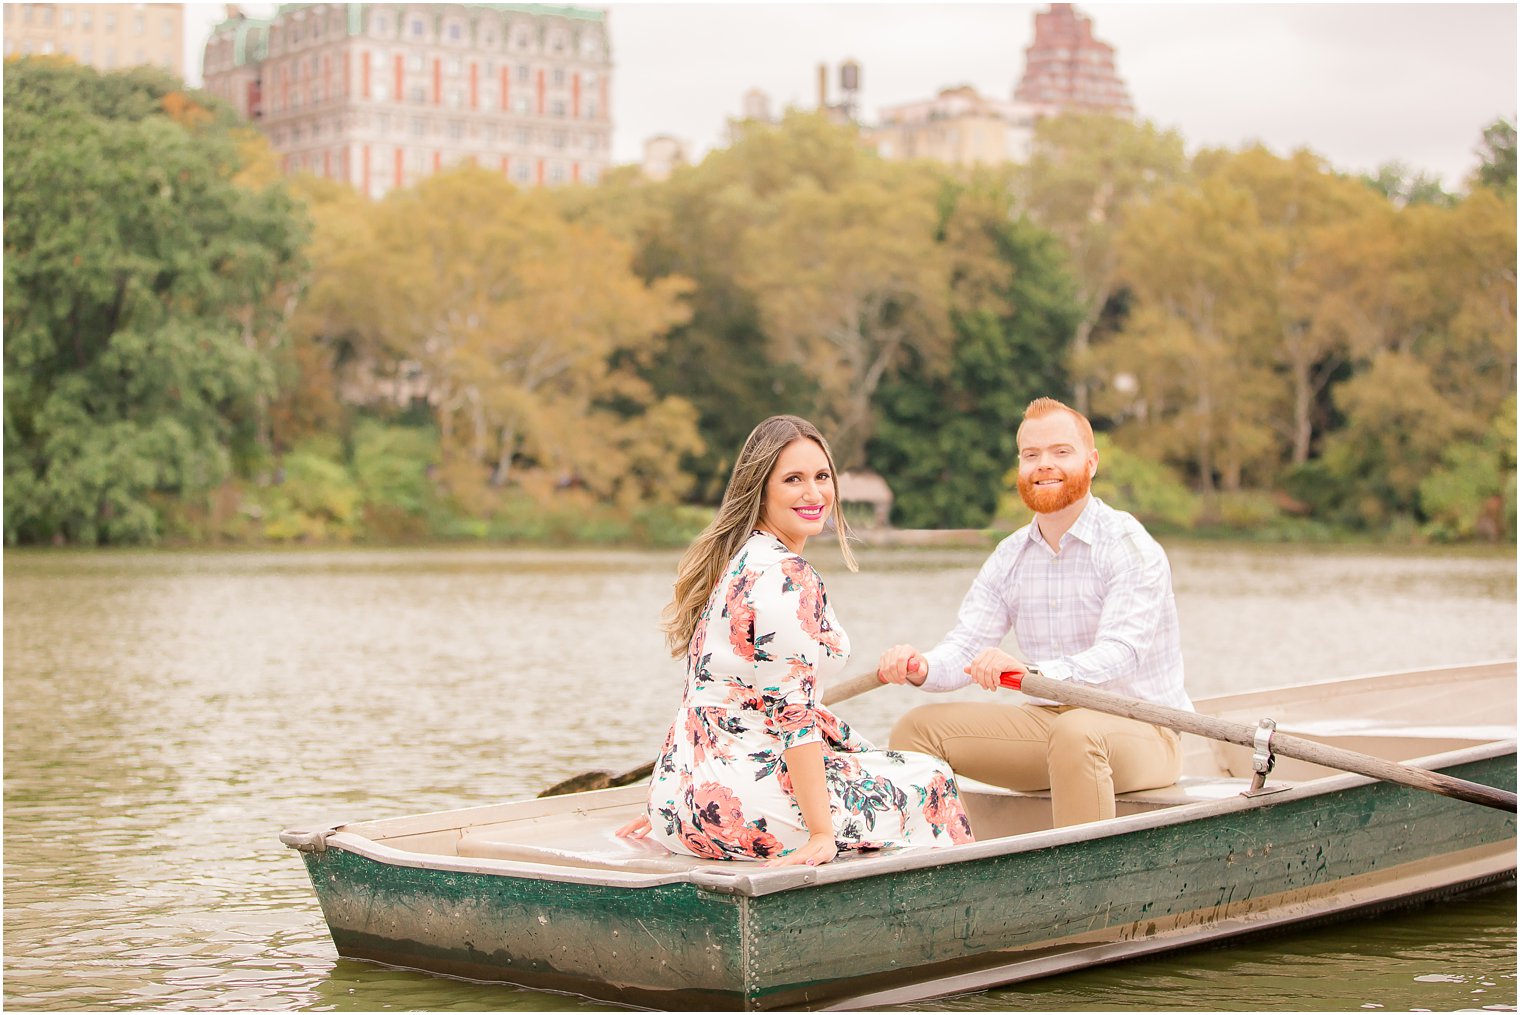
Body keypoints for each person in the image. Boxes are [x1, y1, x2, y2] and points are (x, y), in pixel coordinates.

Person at [617, 415, 974, 866]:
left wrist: (674, 795)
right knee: (934, 779)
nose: (814, 494)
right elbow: (794, 715)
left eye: (822, 477)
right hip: (745, 804)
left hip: (678, 800)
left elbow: (706, 697)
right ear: (760, 489)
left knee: (891, 769)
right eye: (793, 479)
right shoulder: (788, 576)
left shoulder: (735, 562)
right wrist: (821, 833)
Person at [878, 397, 1192, 828]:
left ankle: (1082, 890)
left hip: (1144, 728)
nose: (1044, 465)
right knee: (914, 731)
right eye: (1031, 455)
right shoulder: (1009, 557)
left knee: (1078, 733)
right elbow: (965, 647)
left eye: (1061, 452)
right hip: (1049, 726)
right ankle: (942, 876)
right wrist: (920, 666)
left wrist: (1031, 671)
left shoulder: (1127, 544)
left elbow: (1122, 652)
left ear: (1092, 462)